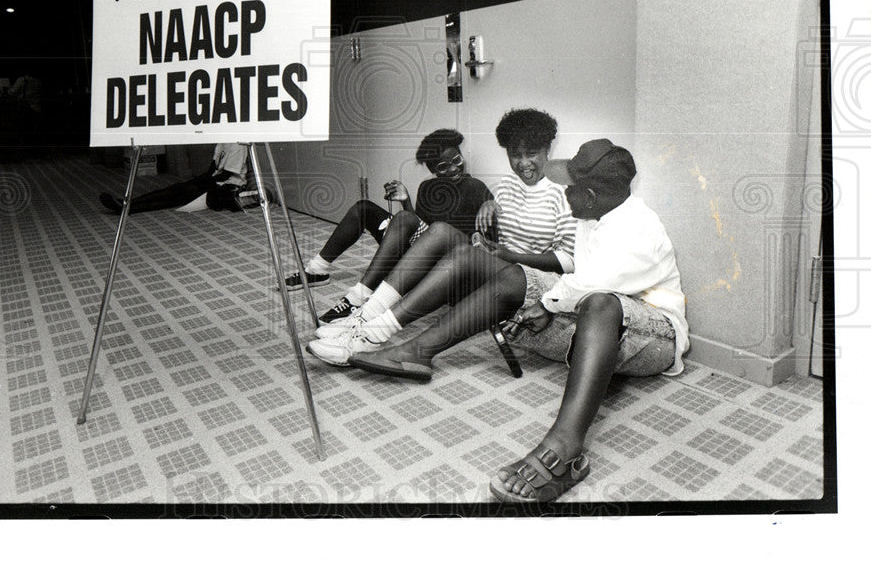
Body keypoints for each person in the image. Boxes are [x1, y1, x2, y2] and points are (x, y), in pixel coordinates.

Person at [355, 139, 687, 504]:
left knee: (600, 305)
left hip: (654, 336)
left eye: (570, 187)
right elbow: (577, 275)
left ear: (590, 195)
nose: (564, 191)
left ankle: (565, 450)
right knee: (505, 273)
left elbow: (596, 285)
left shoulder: (639, 228)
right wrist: (533, 292)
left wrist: (546, 305)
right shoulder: (594, 215)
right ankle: (418, 350)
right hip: (593, 319)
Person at [307, 108, 576, 366]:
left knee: (455, 247)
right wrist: (488, 210)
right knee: (440, 231)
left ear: (547, 151)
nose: (523, 163)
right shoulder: (505, 187)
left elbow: (569, 260)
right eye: (515, 155)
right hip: (490, 271)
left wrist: (509, 255)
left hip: (523, 280)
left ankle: (371, 334)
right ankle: (364, 316)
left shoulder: (562, 195)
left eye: (532, 154)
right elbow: (490, 235)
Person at [288, 129, 492, 324]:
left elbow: (481, 242)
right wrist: (406, 201)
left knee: (408, 221)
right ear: (433, 170)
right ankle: (317, 269)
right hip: (425, 255)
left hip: (452, 263)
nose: (454, 168)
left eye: (457, 160)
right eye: (443, 167)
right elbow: (421, 230)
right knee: (365, 208)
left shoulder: (474, 187)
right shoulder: (427, 187)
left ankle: (357, 298)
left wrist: (489, 206)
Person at [99, 143, 248, 214]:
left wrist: (200, 183)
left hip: (229, 185)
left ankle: (129, 207)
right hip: (216, 180)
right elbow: (213, 168)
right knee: (174, 190)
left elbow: (227, 174)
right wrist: (198, 181)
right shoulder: (223, 141)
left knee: (177, 195)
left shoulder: (239, 145)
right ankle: (127, 204)